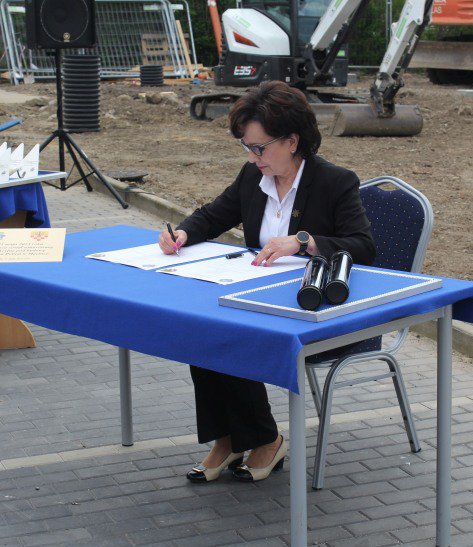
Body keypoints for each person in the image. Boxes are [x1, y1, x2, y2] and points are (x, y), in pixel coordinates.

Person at [157, 81, 377, 483]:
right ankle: (228, 439)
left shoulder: (335, 181)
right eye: (247, 147)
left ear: (292, 141)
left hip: (314, 304)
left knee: (233, 334)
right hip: (259, 295)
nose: (252, 157)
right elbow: (213, 215)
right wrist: (182, 233)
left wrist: (303, 241)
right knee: (199, 326)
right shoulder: (252, 176)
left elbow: (363, 246)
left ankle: (264, 440)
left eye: (259, 148)